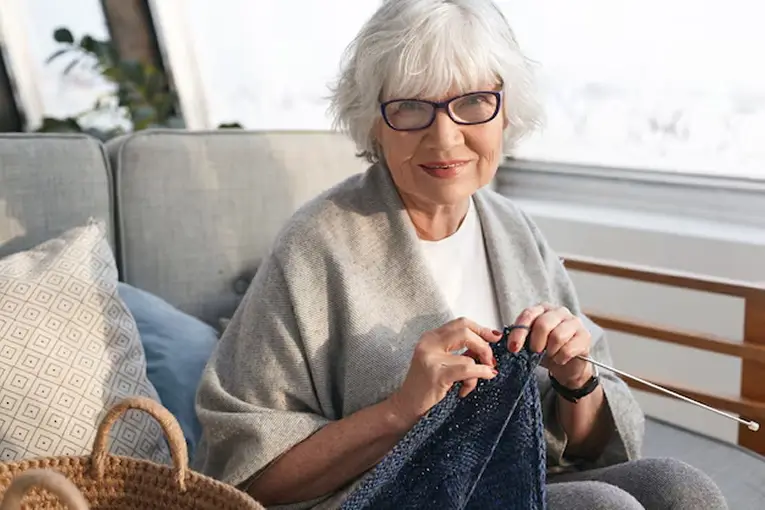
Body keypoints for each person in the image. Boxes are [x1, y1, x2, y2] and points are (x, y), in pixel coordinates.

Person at [193, 1, 729, 508]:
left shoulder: (515, 232)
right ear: (375, 124)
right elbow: (247, 475)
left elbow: (592, 447)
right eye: (410, 108)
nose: (445, 137)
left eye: (472, 102)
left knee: (680, 488)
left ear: (505, 112)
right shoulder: (315, 245)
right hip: (382, 498)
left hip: (518, 482)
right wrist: (401, 411)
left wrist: (575, 380)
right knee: (600, 506)